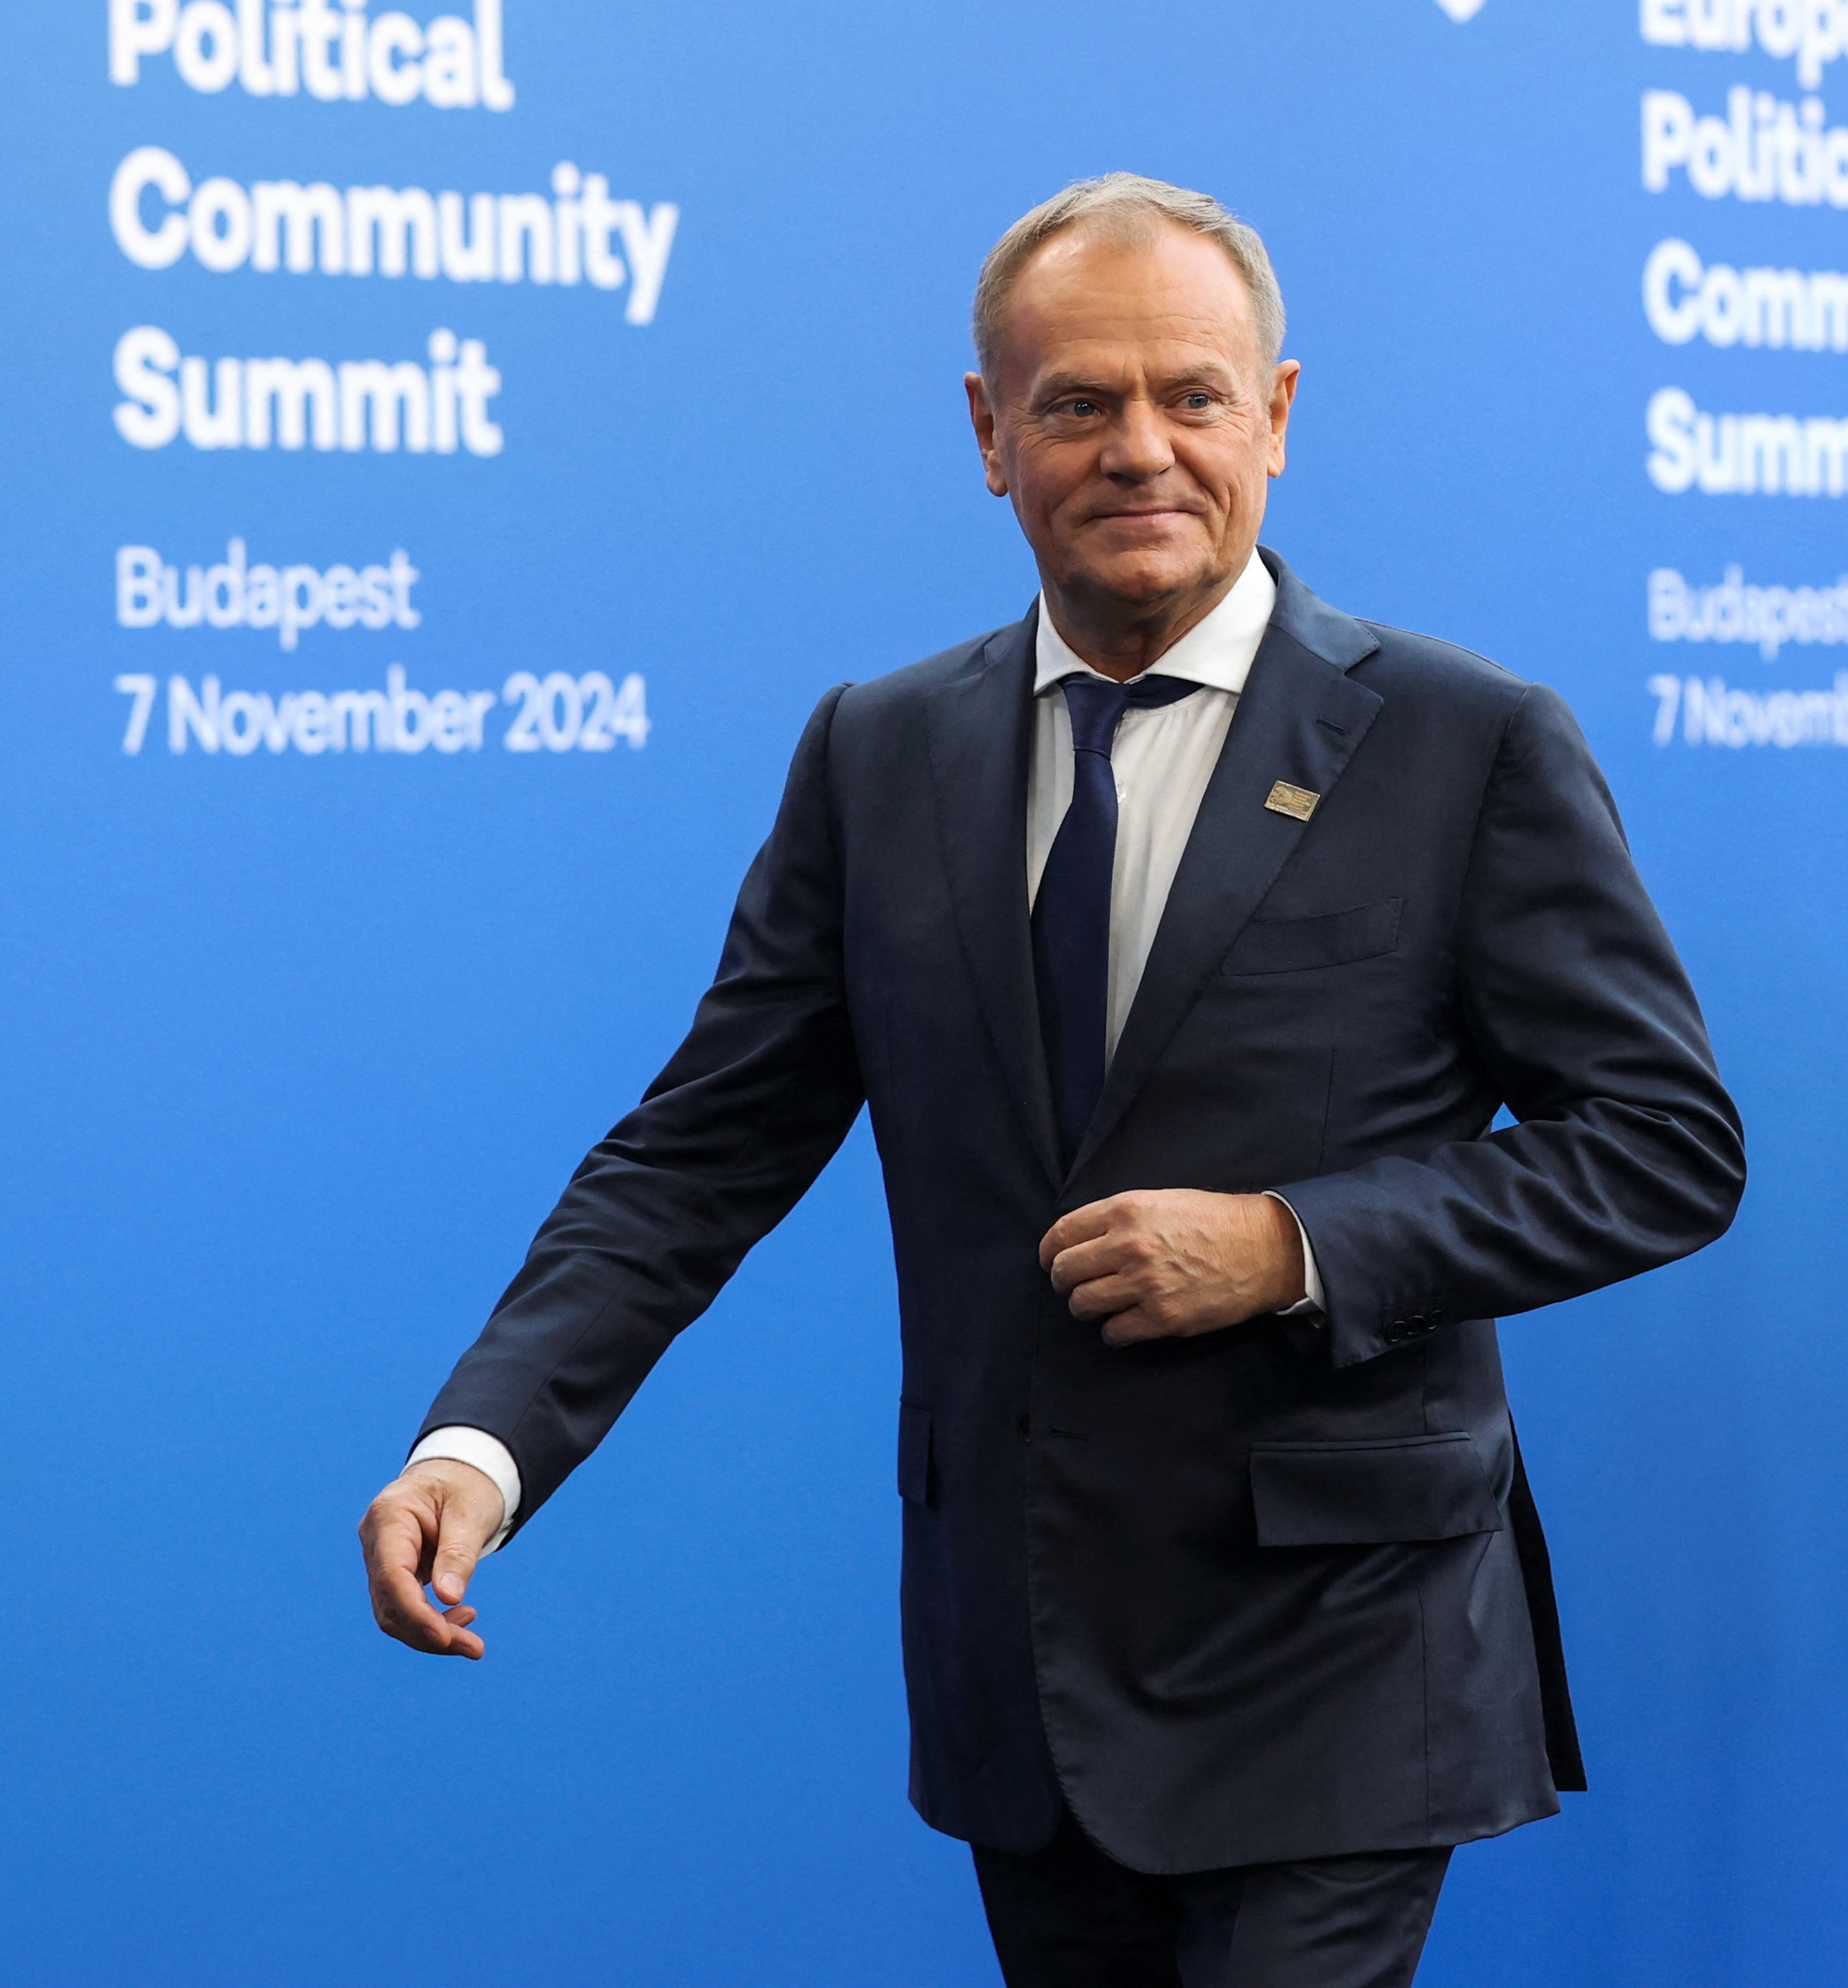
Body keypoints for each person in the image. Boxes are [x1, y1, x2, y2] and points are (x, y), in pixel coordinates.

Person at [358, 172, 1745, 1987]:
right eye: (1077, 402)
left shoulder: (1461, 741)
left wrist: (1288, 1244)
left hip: (1337, 1644)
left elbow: (1660, 1145)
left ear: (1278, 415)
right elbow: (699, 1153)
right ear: (988, 433)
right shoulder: (878, 750)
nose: (1139, 448)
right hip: (1023, 1659)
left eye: (1190, 395)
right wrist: (484, 1441)